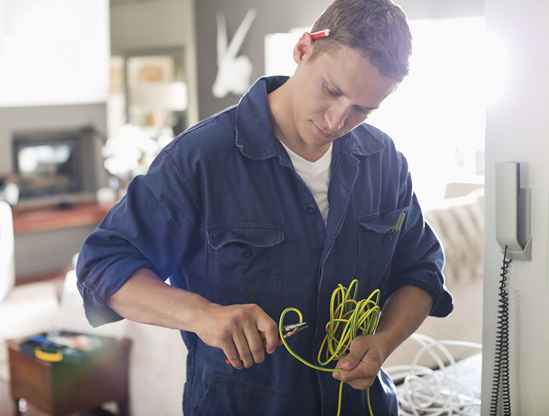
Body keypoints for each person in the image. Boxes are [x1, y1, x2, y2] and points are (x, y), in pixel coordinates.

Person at [76, 0, 453, 414]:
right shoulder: (200, 158)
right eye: (331, 90)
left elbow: (421, 270)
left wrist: (383, 342)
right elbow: (102, 267)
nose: (336, 121)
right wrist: (202, 315)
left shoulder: (385, 160)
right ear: (303, 49)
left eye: (362, 110)